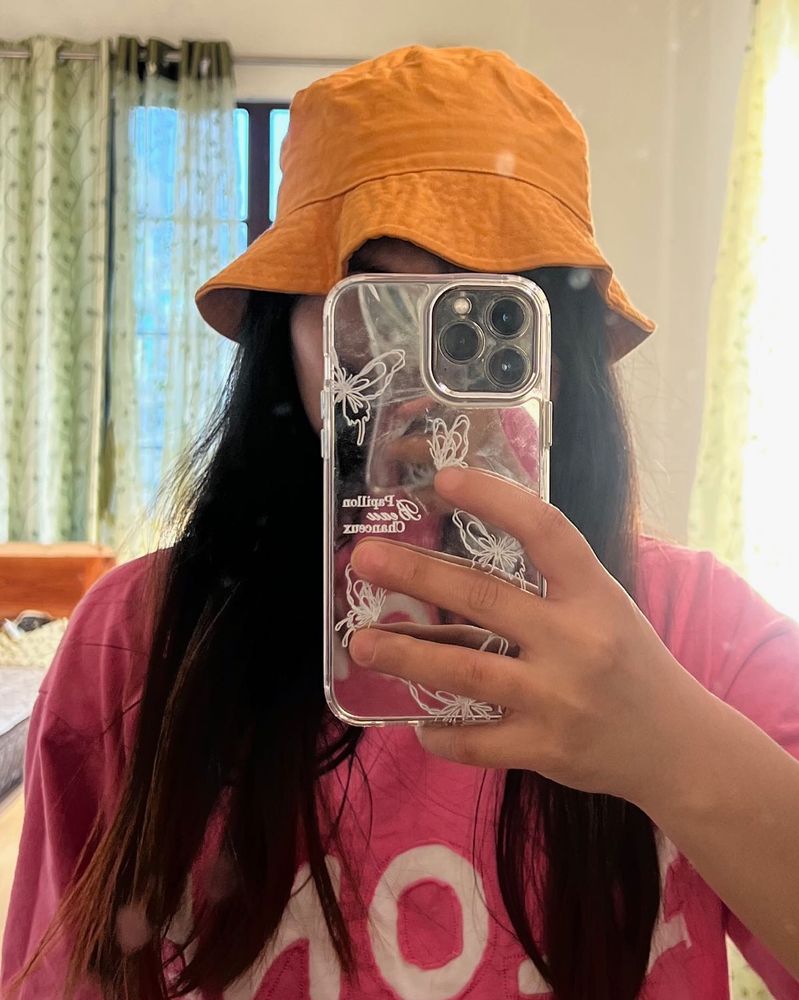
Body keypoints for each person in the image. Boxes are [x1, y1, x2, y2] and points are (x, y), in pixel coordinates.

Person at [2, 44, 799, 1000]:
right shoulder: (138, 639)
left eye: (483, 319)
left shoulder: (694, 631)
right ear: (285, 336)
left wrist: (669, 747)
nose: (422, 375)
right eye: (372, 307)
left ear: (559, 351)